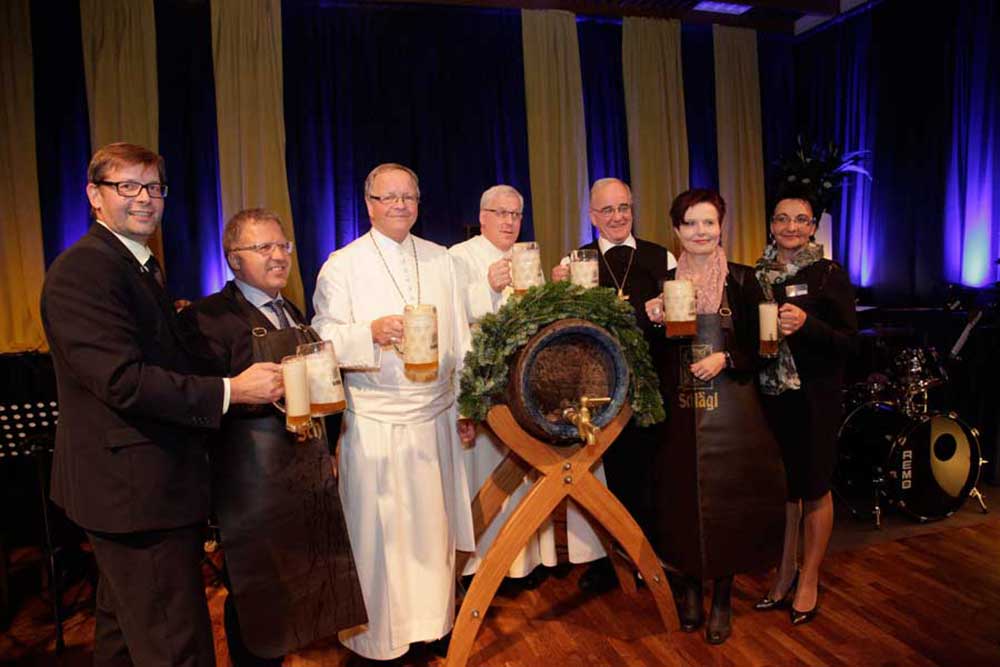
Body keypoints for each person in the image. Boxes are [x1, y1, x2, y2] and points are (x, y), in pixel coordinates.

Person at [40, 143, 282, 667]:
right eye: (127, 187)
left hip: (141, 490)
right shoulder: (83, 272)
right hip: (134, 496)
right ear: (94, 196)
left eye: (153, 187)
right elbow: (124, 381)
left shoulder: (136, 265)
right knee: (177, 647)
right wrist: (231, 390)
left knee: (125, 639)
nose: (144, 199)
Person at [182, 209, 366, 665]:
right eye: (263, 248)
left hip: (303, 472)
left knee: (299, 587)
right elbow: (194, 401)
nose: (278, 256)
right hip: (249, 481)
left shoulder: (292, 312)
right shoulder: (207, 318)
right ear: (233, 259)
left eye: (282, 246)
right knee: (256, 592)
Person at [312, 163, 475, 662]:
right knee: (380, 535)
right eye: (389, 198)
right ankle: (378, 638)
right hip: (377, 420)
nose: (400, 206)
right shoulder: (342, 264)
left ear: (419, 203)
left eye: (408, 197)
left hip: (437, 416)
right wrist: (370, 332)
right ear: (369, 205)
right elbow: (321, 336)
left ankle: (432, 625)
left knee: (434, 530)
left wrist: (468, 401)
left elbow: (464, 337)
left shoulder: (443, 260)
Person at [644, 189, 786, 644]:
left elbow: (767, 347)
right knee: (680, 503)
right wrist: (652, 318)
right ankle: (689, 592)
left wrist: (725, 358)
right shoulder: (664, 280)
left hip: (733, 417)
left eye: (708, 222)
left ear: (721, 226)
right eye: (690, 224)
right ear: (677, 231)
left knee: (727, 509)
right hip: (680, 416)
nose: (700, 232)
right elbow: (654, 353)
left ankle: (721, 599)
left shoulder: (744, 281)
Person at [449, 185, 605, 590]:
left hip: (526, 385)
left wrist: (555, 288)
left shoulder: (527, 257)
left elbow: (539, 321)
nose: (508, 221)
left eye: (516, 214)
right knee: (485, 476)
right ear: (482, 217)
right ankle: (479, 568)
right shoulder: (457, 258)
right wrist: (484, 286)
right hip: (482, 383)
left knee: (526, 473)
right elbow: (450, 316)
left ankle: (526, 562)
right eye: (500, 213)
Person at [551, 177, 676, 592]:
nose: (618, 216)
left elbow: (681, 325)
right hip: (598, 391)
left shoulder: (663, 258)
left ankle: (654, 557)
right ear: (591, 216)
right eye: (607, 210)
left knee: (653, 476)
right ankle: (613, 560)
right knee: (607, 481)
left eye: (624, 207)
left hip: (652, 386)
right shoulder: (576, 262)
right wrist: (558, 291)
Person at [752, 186, 857, 625]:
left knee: (814, 486)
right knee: (786, 490)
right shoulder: (757, 274)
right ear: (772, 225)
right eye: (782, 219)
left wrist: (808, 325)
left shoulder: (828, 273)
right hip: (772, 396)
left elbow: (850, 343)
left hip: (815, 397)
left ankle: (809, 577)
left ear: (812, 227)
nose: (790, 227)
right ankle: (783, 573)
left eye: (800, 219)